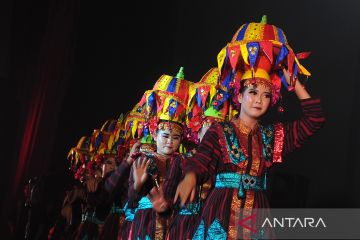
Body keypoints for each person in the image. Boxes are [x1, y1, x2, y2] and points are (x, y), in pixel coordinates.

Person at [174, 16, 326, 240]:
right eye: (253, 93)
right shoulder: (220, 131)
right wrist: (190, 177)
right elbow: (202, 160)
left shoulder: (272, 136)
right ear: (240, 95)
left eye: (266, 95)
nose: (259, 100)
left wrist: (296, 86)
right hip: (221, 211)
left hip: (256, 213)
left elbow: (315, 119)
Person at [127, 67, 192, 240]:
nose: (170, 141)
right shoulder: (143, 159)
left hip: (173, 224)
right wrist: (138, 185)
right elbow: (131, 201)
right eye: (165, 136)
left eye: (176, 137)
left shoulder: (183, 162)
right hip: (145, 223)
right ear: (155, 135)